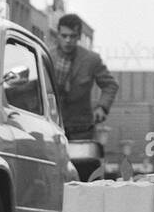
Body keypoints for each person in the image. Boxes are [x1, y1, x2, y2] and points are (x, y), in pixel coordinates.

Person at [48, 14, 119, 179]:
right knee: (53, 175)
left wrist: (102, 107)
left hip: (81, 131)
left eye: (72, 36)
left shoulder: (91, 60)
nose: (68, 40)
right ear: (57, 34)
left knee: (83, 175)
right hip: (53, 129)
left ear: (79, 36)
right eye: (64, 36)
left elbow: (110, 85)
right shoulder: (46, 57)